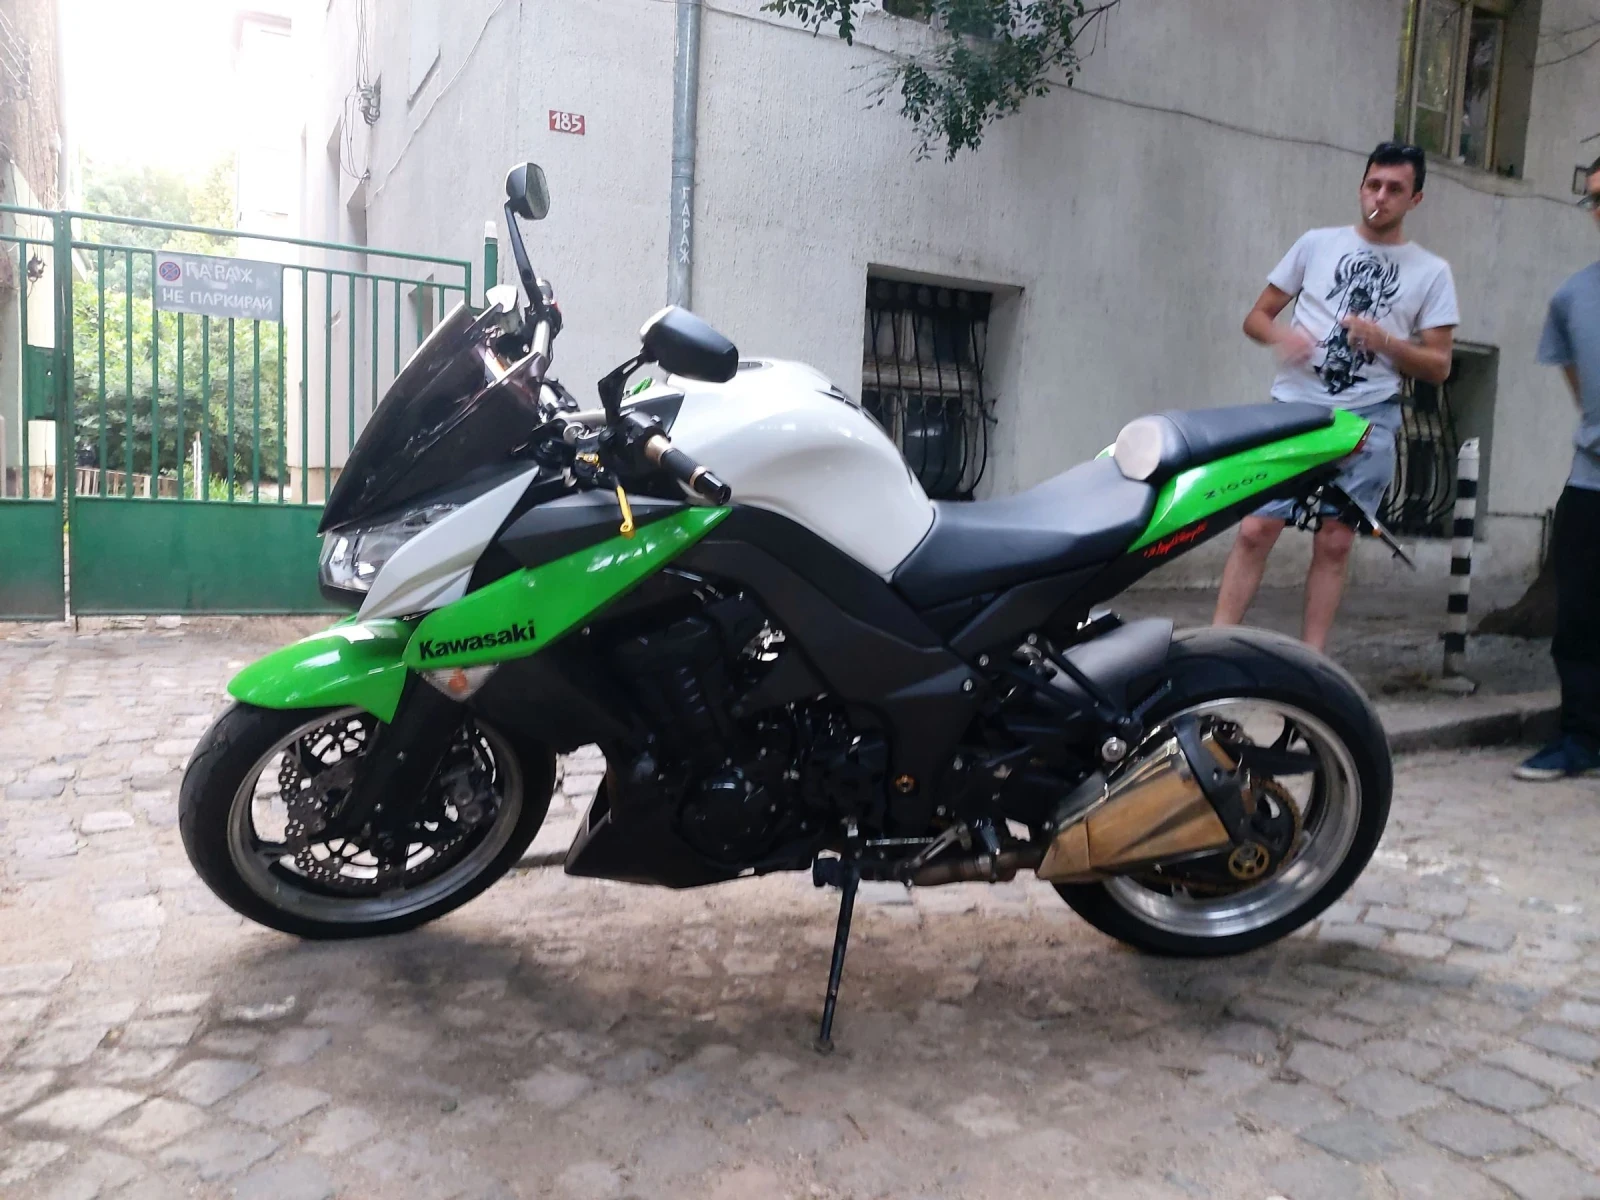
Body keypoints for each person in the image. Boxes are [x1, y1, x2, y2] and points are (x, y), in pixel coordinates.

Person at [1213, 142, 1459, 652]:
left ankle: (1313, 661)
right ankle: (1214, 645)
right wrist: (1284, 337)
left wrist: (1385, 341)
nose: (1380, 197)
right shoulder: (1316, 245)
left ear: (1415, 199)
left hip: (1369, 416)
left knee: (1335, 541)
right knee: (1256, 528)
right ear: (1361, 186)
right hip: (1295, 410)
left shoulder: (1431, 271)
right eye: (1373, 185)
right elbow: (1256, 317)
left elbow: (1439, 365)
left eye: (1394, 189)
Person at [1515, 156, 1600, 781]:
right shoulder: (1573, 297)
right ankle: (1581, 739)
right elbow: (1581, 386)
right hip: (1591, 484)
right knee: (1580, 621)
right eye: (1595, 198)